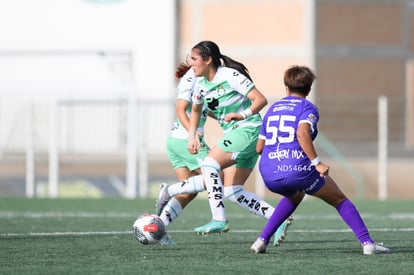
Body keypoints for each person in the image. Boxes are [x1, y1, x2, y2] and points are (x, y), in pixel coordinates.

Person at [250, 65, 390, 255]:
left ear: (286, 87)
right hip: (298, 170)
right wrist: (317, 162)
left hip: (268, 174)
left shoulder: (272, 109)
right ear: (309, 89)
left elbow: (259, 148)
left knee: (295, 195)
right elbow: (302, 133)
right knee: (340, 200)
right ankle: (368, 244)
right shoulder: (308, 107)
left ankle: (261, 241)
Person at [157, 60, 292, 245]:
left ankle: (159, 226)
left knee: (221, 189)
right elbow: (182, 109)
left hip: (176, 140)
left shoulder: (212, 82)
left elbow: (207, 109)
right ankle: (170, 192)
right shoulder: (194, 79)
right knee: (214, 175)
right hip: (185, 140)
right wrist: (193, 134)